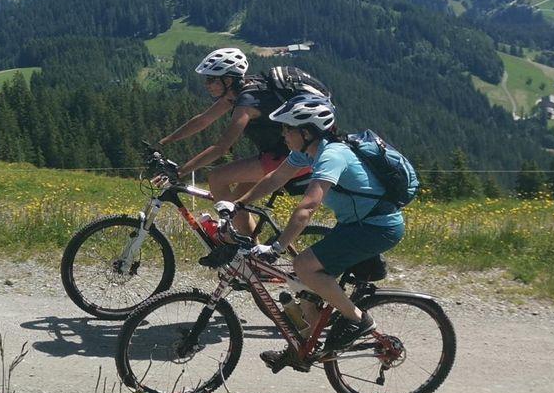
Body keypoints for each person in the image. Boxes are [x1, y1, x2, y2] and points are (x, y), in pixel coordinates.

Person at [236, 93, 403, 355]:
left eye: (288, 128)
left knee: (303, 265)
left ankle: (358, 320)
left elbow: (308, 207)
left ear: (306, 132)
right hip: (356, 224)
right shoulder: (307, 153)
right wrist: (239, 204)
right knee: (304, 285)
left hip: (377, 227)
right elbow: (276, 178)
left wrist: (277, 247)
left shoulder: (332, 155)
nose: (283, 134)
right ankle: (307, 349)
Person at [152, 48, 314, 209]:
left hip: (290, 158)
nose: (206, 84)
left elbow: (221, 148)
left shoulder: (247, 103)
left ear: (228, 80)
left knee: (216, 177)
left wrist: (180, 172)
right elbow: (203, 120)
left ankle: (231, 225)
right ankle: (237, 226)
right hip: (282, 154)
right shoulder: (239, 92)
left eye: (211, 79)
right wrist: (164, 142)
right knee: (234, 205)